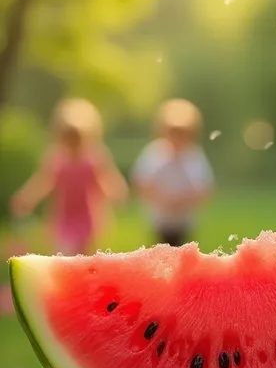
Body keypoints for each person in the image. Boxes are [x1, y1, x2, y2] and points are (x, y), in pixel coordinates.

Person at [10, 98, 128, 255]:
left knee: (87, 256)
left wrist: (115, 193)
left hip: (88, 217)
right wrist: (28, 197)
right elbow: (44, 182)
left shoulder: (94, 159)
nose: (73, 143)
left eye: (77, 138)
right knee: (63, 254)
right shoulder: (57, 159)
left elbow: (106, 180)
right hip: (64, 217)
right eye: (68, 138)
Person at [132, 98, 214, 247]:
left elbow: (204, 188)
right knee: (160, 253)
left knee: (183, 252)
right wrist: (162, 199)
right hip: (160, 218)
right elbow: (142, 183)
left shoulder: (194, 157)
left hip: (184, 219)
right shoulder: (155, 153)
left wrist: (183, 201)